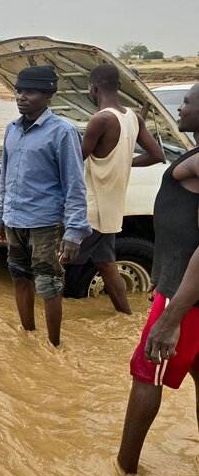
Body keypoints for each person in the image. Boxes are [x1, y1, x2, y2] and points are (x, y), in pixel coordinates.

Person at [116, 83, 199, 476]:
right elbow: (182, 228)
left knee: (147, 372)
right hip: (181, 286)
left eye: (186, 101)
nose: (180, 108)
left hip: (187, 298)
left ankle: (124, 473)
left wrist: (171, 316)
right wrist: (163, 271)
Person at [0, 65, 91, 346]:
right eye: (19, 91)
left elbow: (74, 185)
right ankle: (27, 338)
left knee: (49, 285)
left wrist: (74, 232)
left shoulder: (62, 132)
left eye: (30, 92)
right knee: (18, 277)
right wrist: (0, 216)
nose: (21, 97)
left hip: (45, 224)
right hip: (14, 221)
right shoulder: (11, 130)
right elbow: (5, 175)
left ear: (48, 95)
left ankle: (54, 346)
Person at [75, 64, 165, 314]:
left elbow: (73, 162)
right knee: (106, 264)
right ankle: (126, 315)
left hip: (91, 209)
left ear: (93, 88)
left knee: (58, 264)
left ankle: (46, 329)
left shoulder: (100, 119)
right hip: (113, 209)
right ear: (118, 86)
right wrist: (124, 161)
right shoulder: (133, 117)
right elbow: (157, 154)